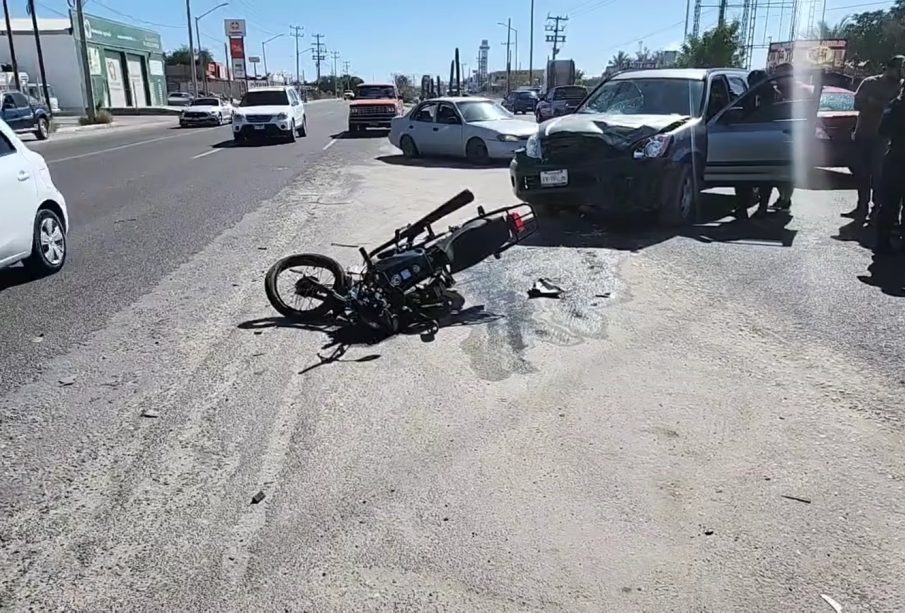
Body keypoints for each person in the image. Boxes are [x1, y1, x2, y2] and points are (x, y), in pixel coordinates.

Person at [848, 56, 904, 219]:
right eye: (898, 68)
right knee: (861, 172)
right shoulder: (869, 83)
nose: (900, 73)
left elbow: (895, 109)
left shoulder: (901, 87)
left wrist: (878, 103)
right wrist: (872, 103)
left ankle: (878, 210)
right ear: (889, 67)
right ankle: (861, 207)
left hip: (884, 138)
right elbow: (857, 104)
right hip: (863, 133)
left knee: (879, 175)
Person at [874, 82, 905, 254]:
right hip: (896, 158)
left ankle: (883, 242)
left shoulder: (896, 105)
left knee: (889, 203)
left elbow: (883, 130)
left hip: (896, 158)